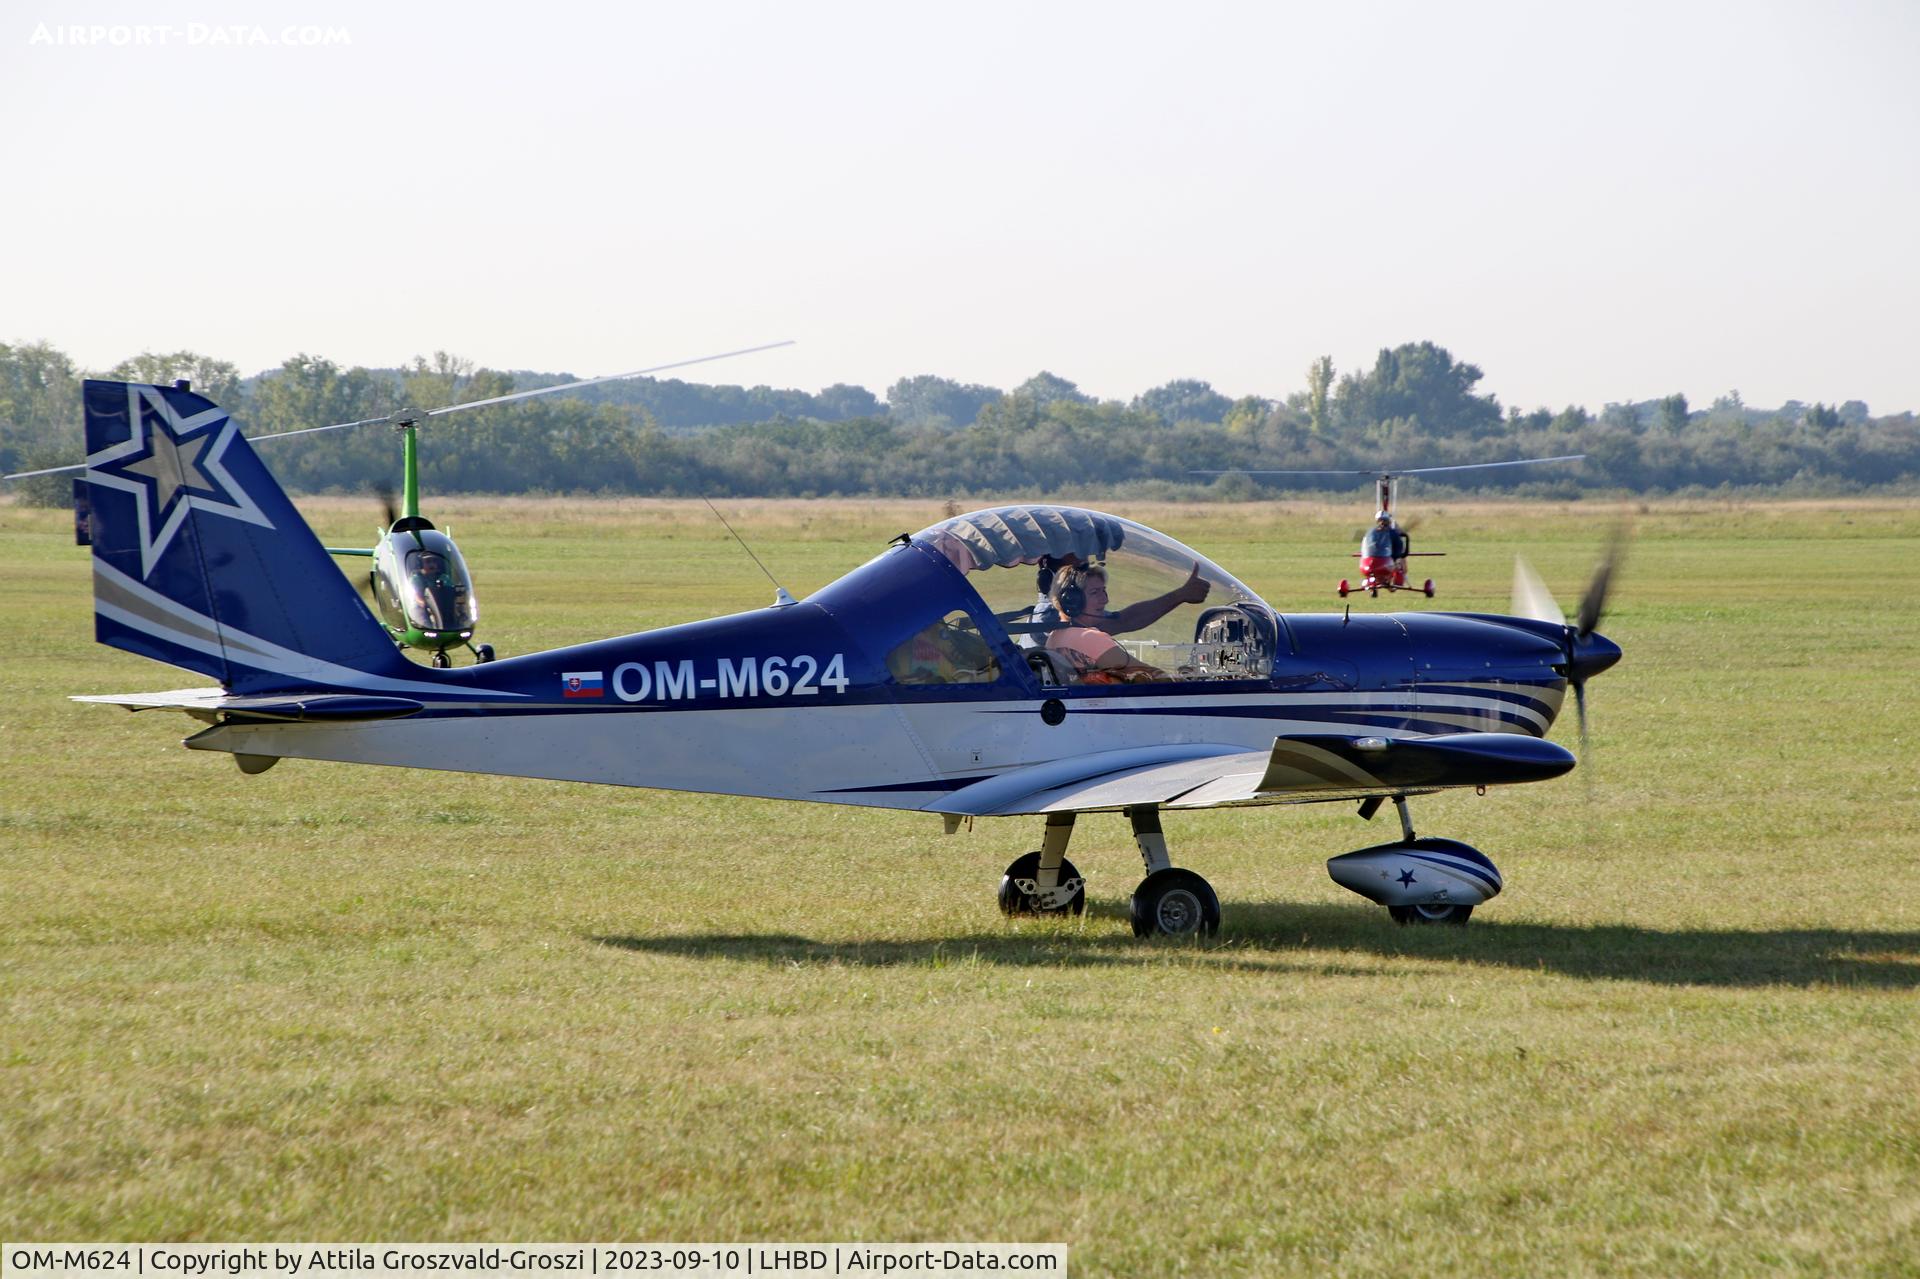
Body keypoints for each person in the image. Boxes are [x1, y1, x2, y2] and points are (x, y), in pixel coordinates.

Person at [1045, 562, 1210, 682]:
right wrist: (1187, 677)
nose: (1104, 600)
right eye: (1095, 593)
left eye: (1104, 591)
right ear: (1072, 601)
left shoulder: (1056, 636)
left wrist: (1180, 595)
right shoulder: (1089, 638)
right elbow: (1156, 679)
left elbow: (1125, 620)